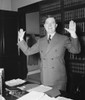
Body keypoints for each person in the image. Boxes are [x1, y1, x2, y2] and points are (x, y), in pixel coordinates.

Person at [17, 15, 81, 91]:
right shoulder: (40, 41)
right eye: (47, 23)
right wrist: (21, 39)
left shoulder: (63, 39)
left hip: (59, 79)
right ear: (44, 26)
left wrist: (73, 34)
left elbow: (76, 50)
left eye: (52, 23)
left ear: (56, 25)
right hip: (45, 78)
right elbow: (28, 51)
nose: (50, 25)